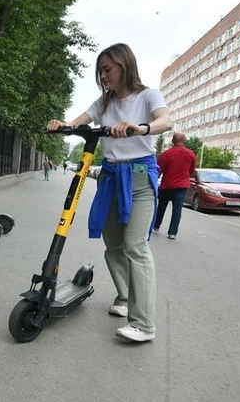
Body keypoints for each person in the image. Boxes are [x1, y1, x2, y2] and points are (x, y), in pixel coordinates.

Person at [46, 43, 173, 343]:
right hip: (111, 177)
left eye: (108, 69)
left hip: (140, 178)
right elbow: (77, 122)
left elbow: (166, 121)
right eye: (100, 71)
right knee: (113, 243)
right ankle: (126, 296)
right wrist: (60, 126)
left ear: (124, 65)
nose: (103, 76)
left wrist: (140, 129)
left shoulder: (147, 95)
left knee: (134, 246)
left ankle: (144, 324)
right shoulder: (103, 103)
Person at [153, 131, 196, 239]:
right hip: (181, 186)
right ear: (184, 141)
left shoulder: (166, 154)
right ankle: (172, 232)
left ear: (173, 141)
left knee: (161, 206)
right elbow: (191, 170)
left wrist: (153, 182)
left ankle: (156, 225)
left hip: (167, 185)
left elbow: (159, 170)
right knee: (177, 210)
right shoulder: (191, 154)